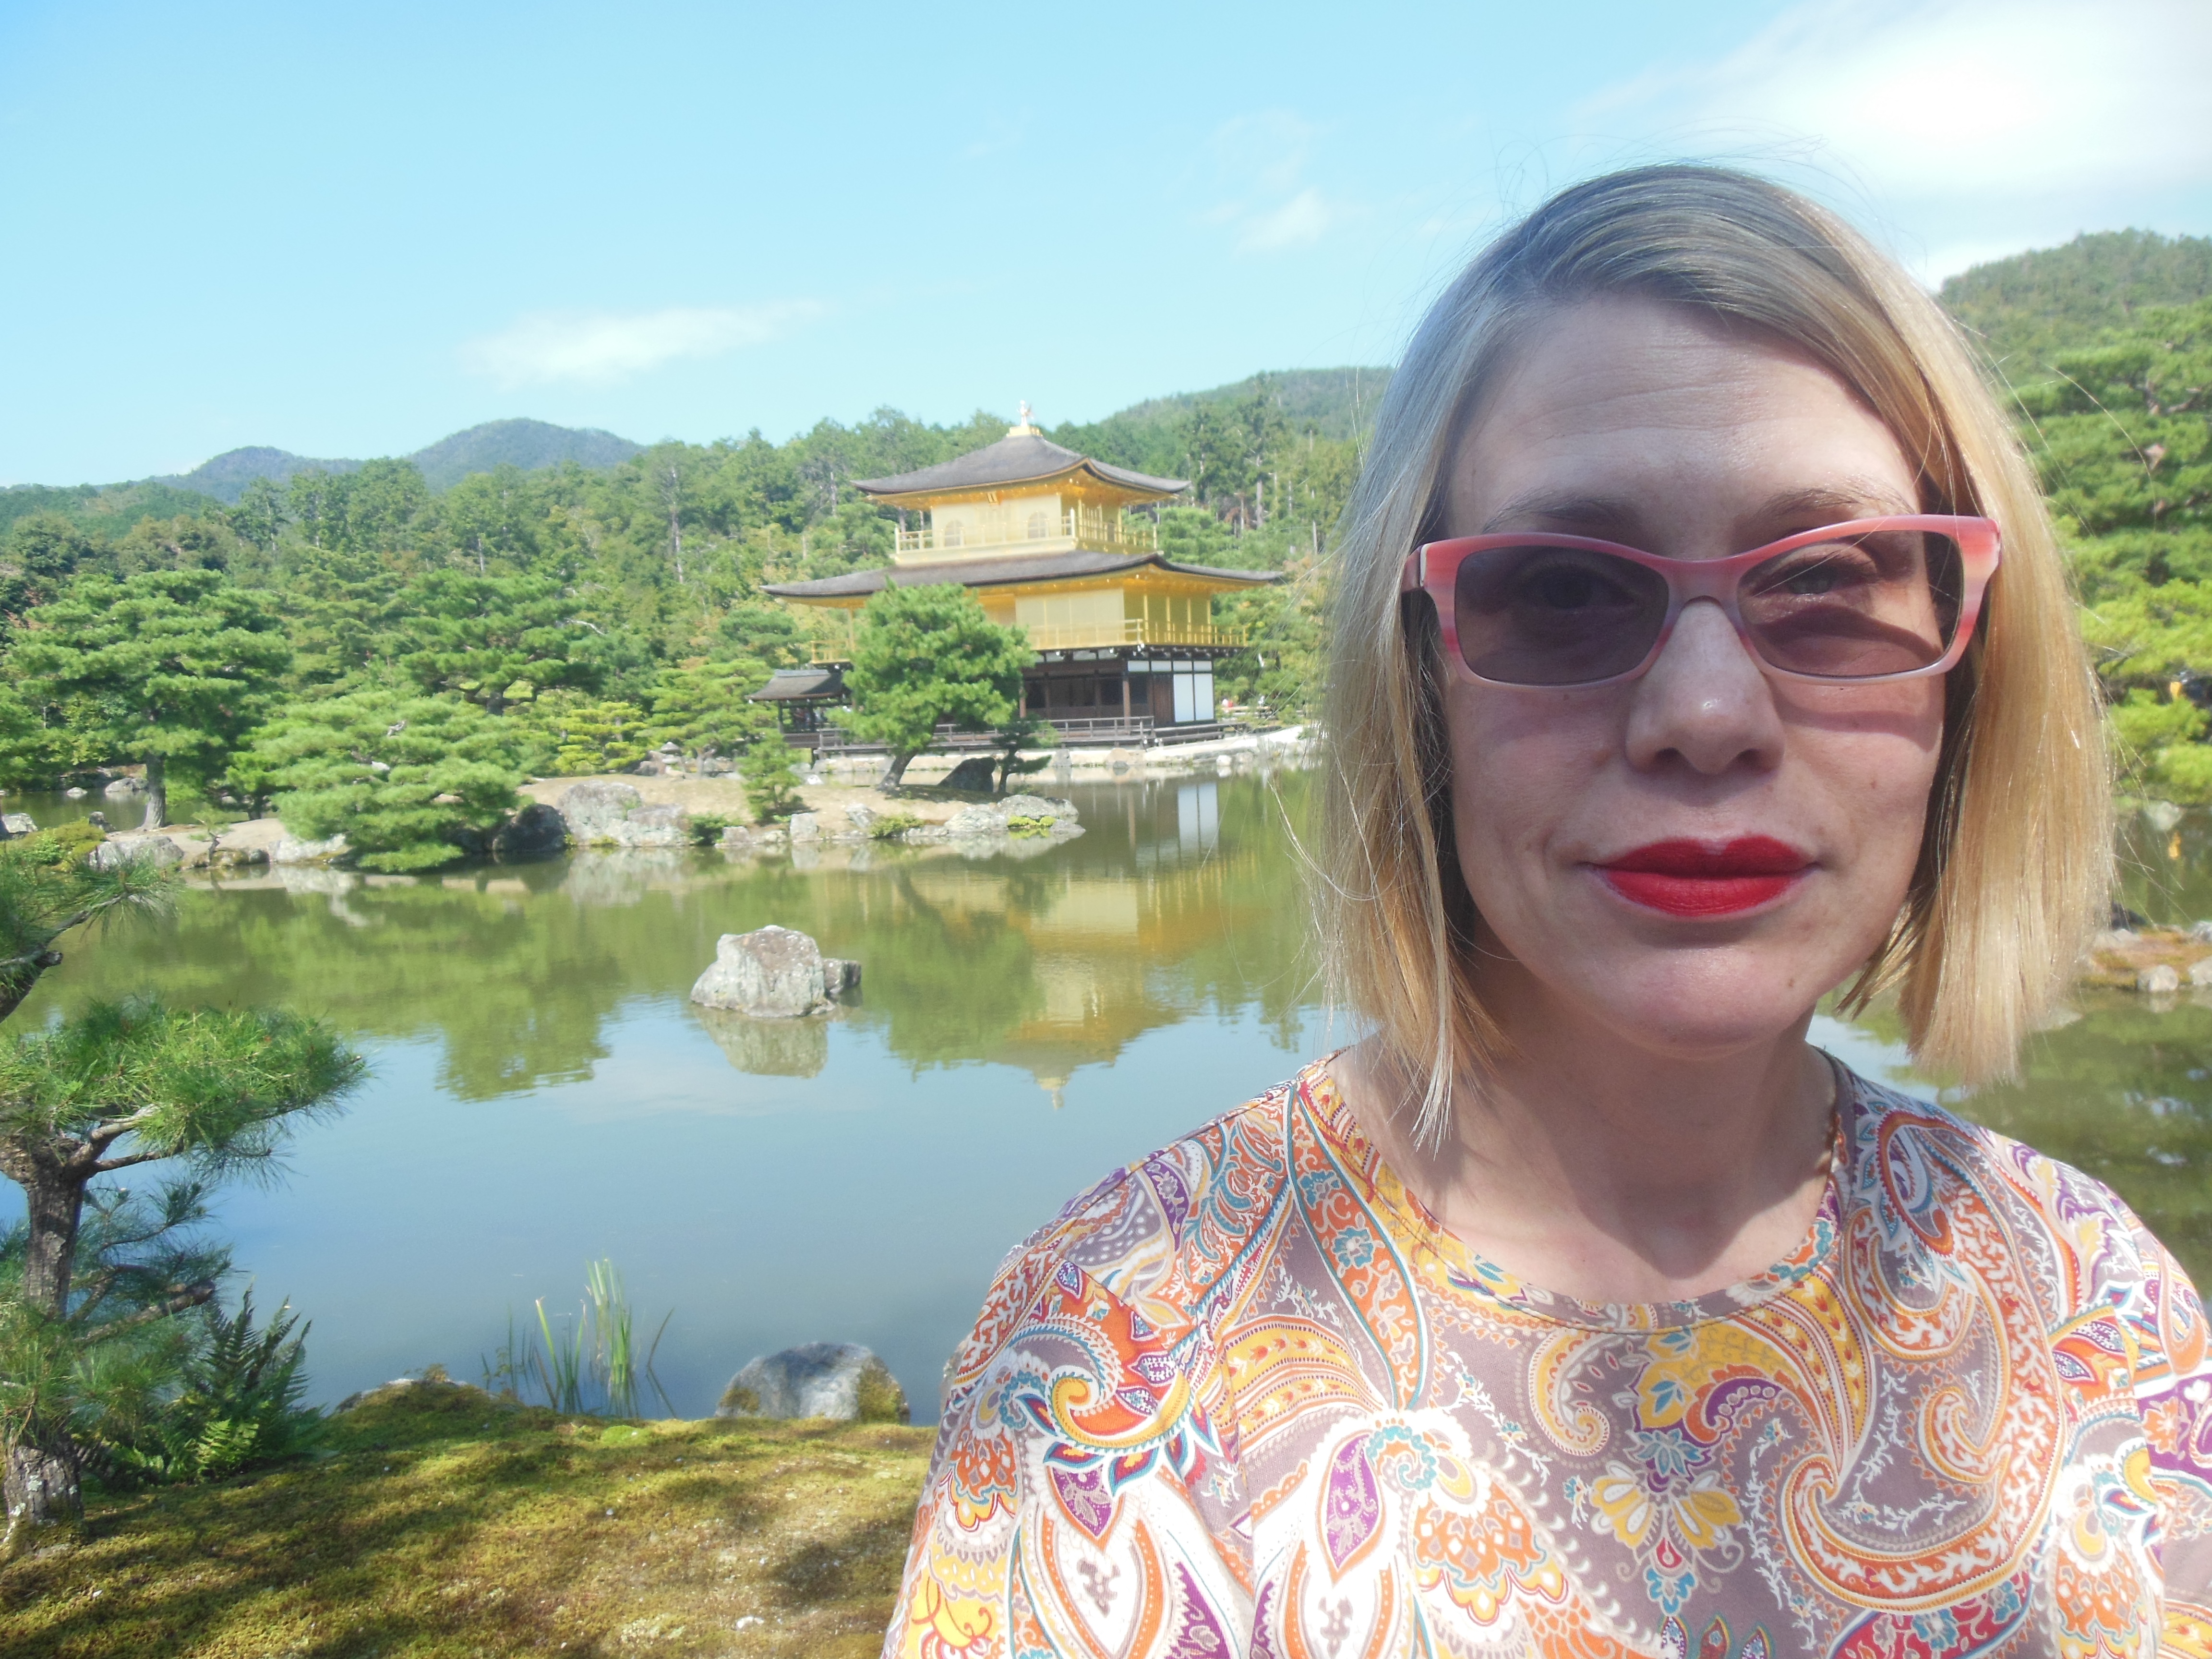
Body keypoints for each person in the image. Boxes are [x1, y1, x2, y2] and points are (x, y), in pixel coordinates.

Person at [883, 167, 2211, 1659]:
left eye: (1829, 582)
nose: (1706, 715)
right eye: (1566, 592)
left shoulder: (2093, 1298)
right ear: (1418, 685)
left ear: (1972, 669)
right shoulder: (1125, 1349)